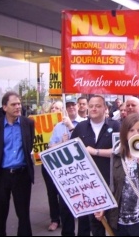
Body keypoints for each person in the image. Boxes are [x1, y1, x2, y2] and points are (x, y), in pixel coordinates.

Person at [94, 113, 139, 236]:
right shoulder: (117, 153)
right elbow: (112, 186)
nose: (135, 134)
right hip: (120, 222)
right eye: (131, 130)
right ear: (124, 133)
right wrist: (104, 208)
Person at [62, 95, 121, 236]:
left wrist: (95, 152)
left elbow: (120, 150)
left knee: (114, 223)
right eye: (91, 105)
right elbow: (72, 152)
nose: (94, 108)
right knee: (93, 224)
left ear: (105, 108)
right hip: (88, 184)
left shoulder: (115, 126)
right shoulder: (81, 127)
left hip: (111, 182)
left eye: (98, 106)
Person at [0, 91, 35, 236]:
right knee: (0, 216)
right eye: (13, 104)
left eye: (19, 103)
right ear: (4, 107)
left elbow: (29, 146)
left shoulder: (28, 123)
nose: (18, 107)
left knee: (24, 215)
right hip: (1, 176)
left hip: (22, 175)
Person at [49, 96, 85, 236]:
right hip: (65, 172)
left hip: (81, 171)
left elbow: (84, 144)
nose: (71, 108)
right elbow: (51, 146)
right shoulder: (58, 126)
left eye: (73, 105)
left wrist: (71, 127)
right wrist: (61, 144)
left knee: (83, 205)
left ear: (77, 106)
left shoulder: (84, 124)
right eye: (68, 105)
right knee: (65, 205)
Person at [42, 100, 63, 231]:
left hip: (63, 164)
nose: (54, 110)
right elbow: (49, 146)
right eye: (53, 108)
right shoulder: (41, 123)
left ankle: (66, 215)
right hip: (48, 163)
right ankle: (55, 219)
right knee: (51, 192)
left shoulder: (65, 124)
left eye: (58, 108)